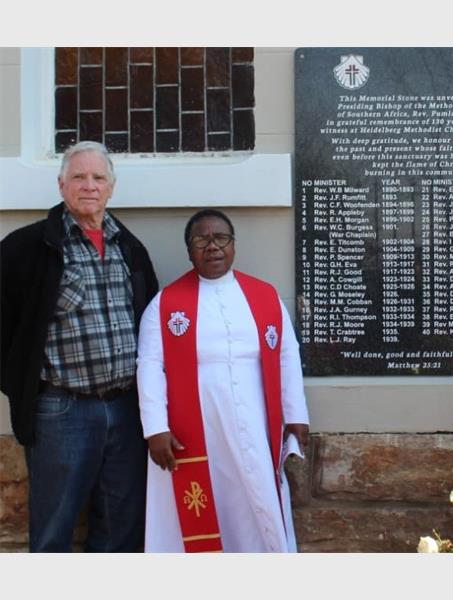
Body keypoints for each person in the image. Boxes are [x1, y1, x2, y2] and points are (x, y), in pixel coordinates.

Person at [0, 141, 159, 552]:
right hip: (61, 411)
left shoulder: (130, 248)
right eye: (78, 177)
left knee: (122, 528)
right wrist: (22, 385)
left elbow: (150, 324)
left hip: (126, 410)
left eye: (98, 177)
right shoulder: (25, 249)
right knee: (54, 529)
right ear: (61, 185)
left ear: (111, 187)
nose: (89, 185)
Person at [136, 208, 310, 552]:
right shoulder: (165, 304)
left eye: (221, 238)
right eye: (202, 239)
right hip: (198, 427)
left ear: (233, 245)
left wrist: (296, 415)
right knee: (205, 502)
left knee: (256, 497)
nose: (212, 246)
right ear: (189, 249)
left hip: (255, 421)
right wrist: (154, 428)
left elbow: (288, 356)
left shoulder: (265, 296)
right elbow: (149, 365)